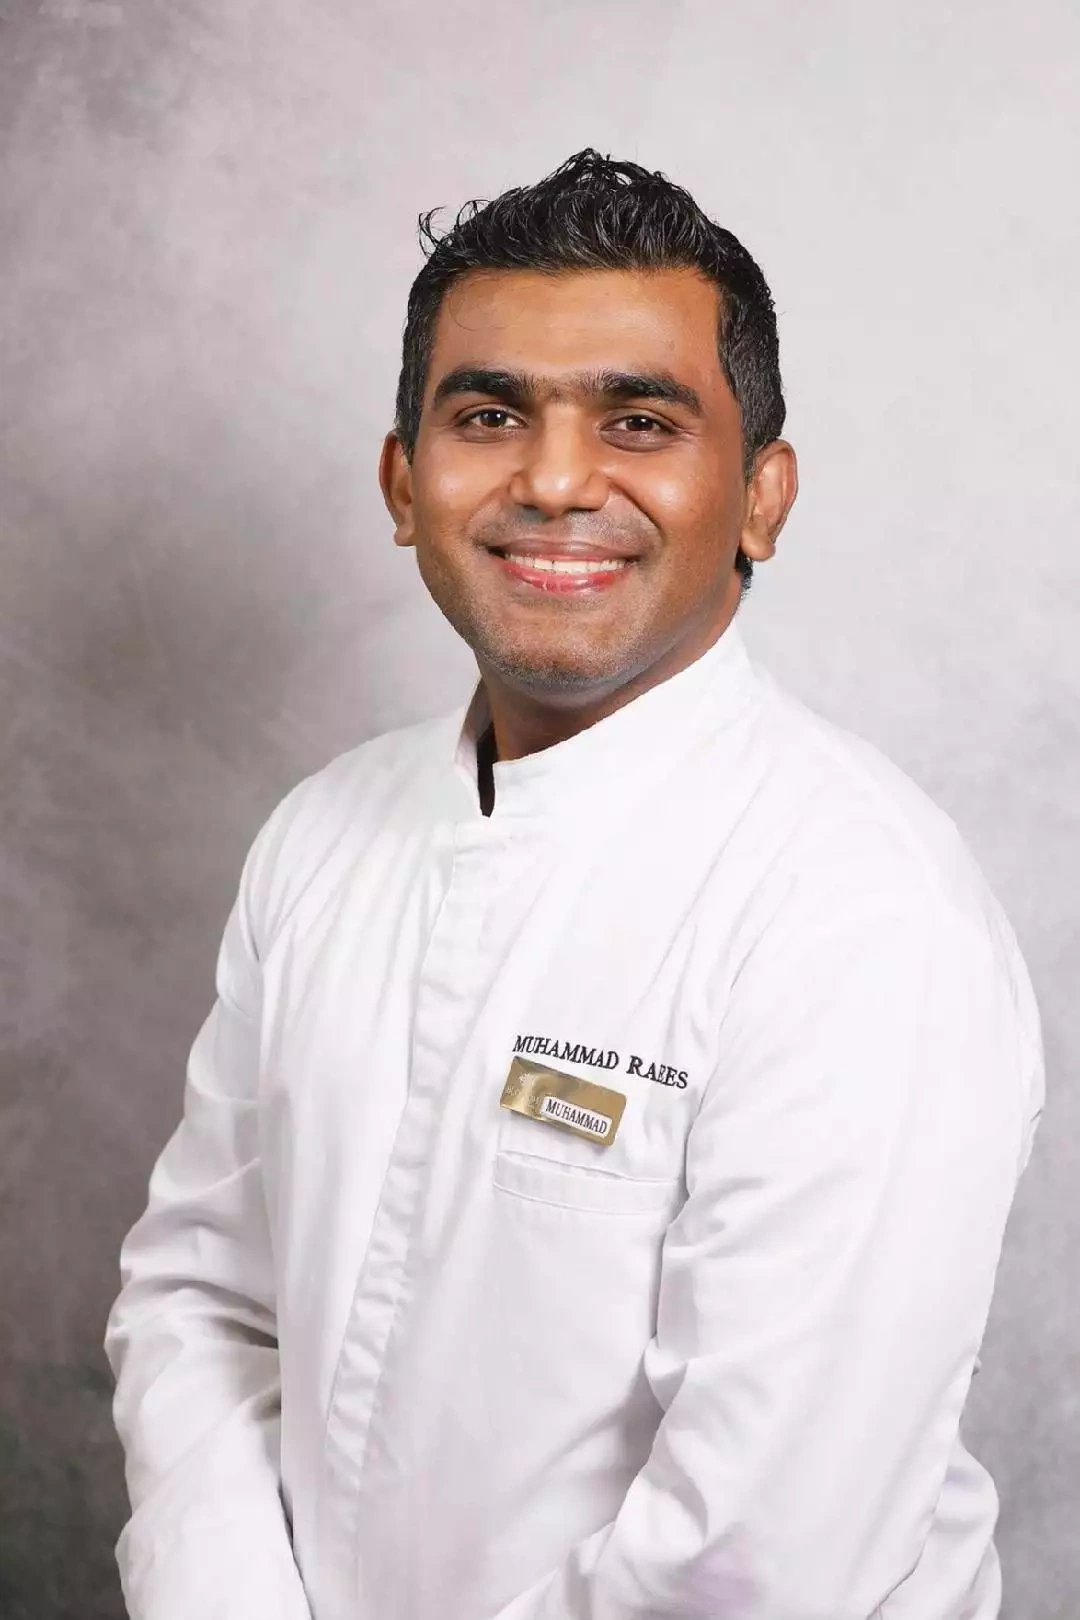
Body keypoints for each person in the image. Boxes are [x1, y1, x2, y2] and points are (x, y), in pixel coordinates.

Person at [105, 149, 1045, 1620]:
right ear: (403, 483)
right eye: (489, 416)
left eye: (640, 421)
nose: (552, 482)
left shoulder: (861, 914)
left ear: (762, 497)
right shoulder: (322, 835)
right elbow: (203, 1301)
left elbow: (761, 1560)